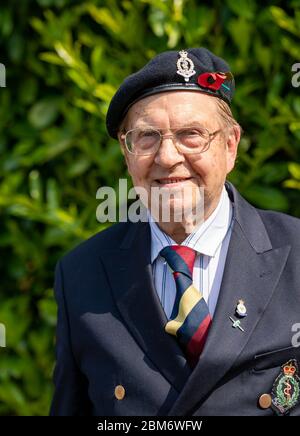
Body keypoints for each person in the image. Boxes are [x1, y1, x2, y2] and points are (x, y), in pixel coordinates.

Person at [50, 48, 300, 416]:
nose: (167, 157)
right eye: (147, 137)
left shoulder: (295, 254)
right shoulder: (81, 276)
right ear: (127, 152)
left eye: (191, 135)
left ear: (230, 146)